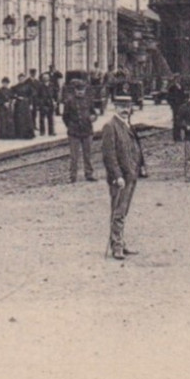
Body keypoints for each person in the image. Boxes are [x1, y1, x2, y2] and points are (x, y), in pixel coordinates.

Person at [100, 95, 143, 260]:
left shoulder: (127, 124)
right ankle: (116, 246)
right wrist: (117, 176)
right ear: (114, 107)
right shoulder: (110, 126)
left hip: (131, 174)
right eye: (121, 106)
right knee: (118, 211)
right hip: (120, 178)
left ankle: (121, 243)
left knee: (123, 211)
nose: (125, 110)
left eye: (128, 106)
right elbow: (109, 156)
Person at [62, 72, 97, 183]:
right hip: (74, 132)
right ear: (75, 91)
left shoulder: (88, 101)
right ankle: (73, 176)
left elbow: (94, 113)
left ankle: (89, 174)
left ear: (85, 91)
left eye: (82, 90)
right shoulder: (69, 102)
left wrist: (93, 117)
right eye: (78, 90)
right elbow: (65, 117)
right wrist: (71, 126)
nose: (80, 92)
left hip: (87, 131)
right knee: (74, 156)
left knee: (88, 155)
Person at [37, 68, 59, 136]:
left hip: (50, 103)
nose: (45, 79)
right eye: (44, 78)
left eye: (46, 78)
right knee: (42, 118)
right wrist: (39, 103)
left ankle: (51, 131)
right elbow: (37, 95)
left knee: (51, 118)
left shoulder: (52, 85)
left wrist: (55, 101)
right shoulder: (40, 86)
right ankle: (42, 131)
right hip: (43, 103)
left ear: (49, 78)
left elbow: (55, 94)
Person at [165, 76, 187, 141]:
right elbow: (168, 98)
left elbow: (184, 96)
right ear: (175, 80)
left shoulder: (182, 87)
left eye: (179, 79)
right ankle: (176, 137)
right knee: (176, 122)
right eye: (177, 79)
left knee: (182, 121)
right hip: (176, 107)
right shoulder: (172, 88)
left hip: (182, 106)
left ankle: (182, 136)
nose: (178, 80)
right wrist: (172, 105)